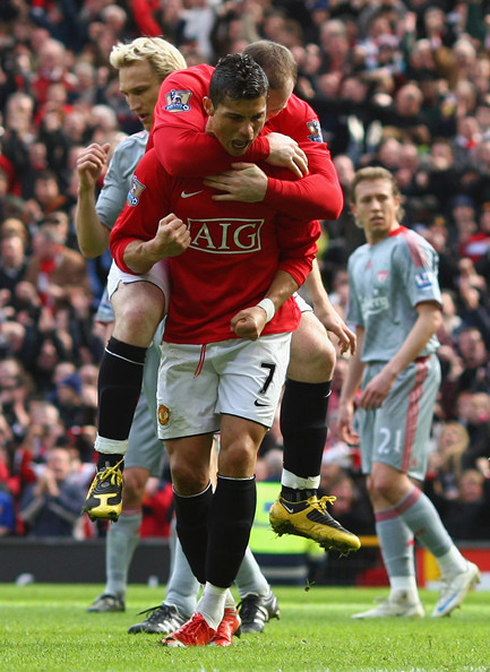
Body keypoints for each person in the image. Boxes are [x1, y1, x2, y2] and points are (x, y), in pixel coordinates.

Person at [84, 38, 360, 558]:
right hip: (157, 246)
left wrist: (268, 189)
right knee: (143, 315)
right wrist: (261, 150)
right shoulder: (182, 95)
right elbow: (172, 157)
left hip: (234, 275)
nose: (268, 124)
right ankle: (108, 464)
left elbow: (325, 203)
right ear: (218, 98)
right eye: (258, 114)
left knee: (317, 353)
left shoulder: (290, 114)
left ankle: (298, 496)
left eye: (272, 113)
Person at [109, 53, 320, 647]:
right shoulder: (167, 162)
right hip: (186, 335)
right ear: (206, 110)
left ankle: (210, 609)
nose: (249, 131)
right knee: (185, 470)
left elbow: (304, 247)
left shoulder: (278, 169)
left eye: (257, 119)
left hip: (257, 331)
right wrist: (153, 249)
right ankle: (226, 602)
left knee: (237, 456)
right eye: (235, 118)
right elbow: (123, 246)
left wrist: (267, 304)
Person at [76, 37, 281, 634]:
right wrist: (88, 194)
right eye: (125, 92)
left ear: (173, 87)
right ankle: (246, 591)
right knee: (182, 474)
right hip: (153, 345)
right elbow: (96, 245)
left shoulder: (221, 141)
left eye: (141, 90)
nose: (132, 102)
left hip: (207, 332)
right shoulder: (130, 155)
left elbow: (293, 225)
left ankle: (183, 601)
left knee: (198, 470)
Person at [338, 166, 480, 619]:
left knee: (389, 481)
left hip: (410, 371)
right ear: (355, 209)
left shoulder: (413, 247)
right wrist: (347, 396)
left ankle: (455, 565)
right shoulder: (359, 258)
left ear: (397, 201)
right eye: (368, 199)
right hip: (376, 378)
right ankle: (404, 594)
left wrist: (388, 374)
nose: (376, 206)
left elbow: (431, 318)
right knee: (378, 489)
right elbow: (361, 331)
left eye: (384, 197)